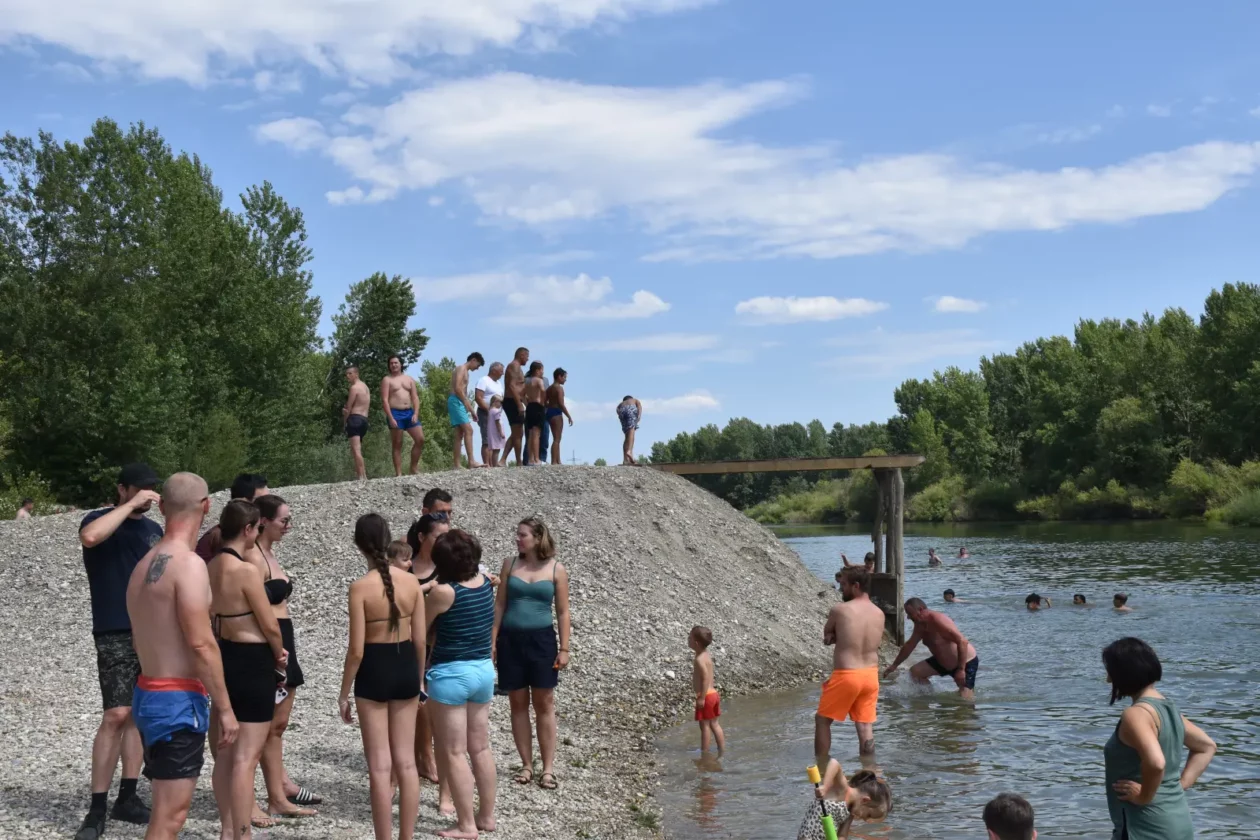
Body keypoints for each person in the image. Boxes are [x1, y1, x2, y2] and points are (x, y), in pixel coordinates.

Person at [124, 472, 239, 840]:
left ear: (160, 506)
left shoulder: (144, 565)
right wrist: (224, 708)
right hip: (176, 700)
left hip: (148, 692)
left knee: (163, 811)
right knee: (171, 818)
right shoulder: (188, 565)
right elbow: (201, 644)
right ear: (206, 507)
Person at [75, 462, 163, 840]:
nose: (146, 497)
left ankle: (128, 795)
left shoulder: (153, 529)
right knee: (116, 713)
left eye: (151, 492)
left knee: (138, 714)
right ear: (123, 489)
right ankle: (97, 807)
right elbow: (90, 538)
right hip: (113, 628)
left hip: (150, 631)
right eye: (139, 490)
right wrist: (127, 507)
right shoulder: (100, 518)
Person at [339, 514, 426, 840]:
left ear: (358, 545)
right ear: (389, 540)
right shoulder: (412, 582)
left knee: (378, 767)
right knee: (406, 763)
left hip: (373, 671)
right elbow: (420, 640)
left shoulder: (359, 588)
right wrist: (419, 681)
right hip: (405, 668)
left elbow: (356, 650)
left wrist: (343, 693)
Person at [208, 500, 289, 840]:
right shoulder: (245, 570)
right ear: (247, 529)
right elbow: (269, 624)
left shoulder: (210, 566)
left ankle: (229, 829)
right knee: (246, 756)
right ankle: (242, 832)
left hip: (223, 653)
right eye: (257, 528)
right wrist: (279, 654)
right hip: (252, 657)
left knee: (225, 753)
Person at [1102, 637, 1216, 840]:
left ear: (1123, 673)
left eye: (1110, 671)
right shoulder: (1168, 708)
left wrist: (1144, 797)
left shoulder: (1135, 714)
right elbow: (1206, 747)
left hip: (1144, 826)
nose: (1108, 679)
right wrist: (1179, 786)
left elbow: (1156, 763)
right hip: (1177, 819)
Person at [426, 530, 497, 839]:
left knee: (454, 752)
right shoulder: (484, 584)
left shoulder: (444, 592)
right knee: (480, 747)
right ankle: (486, 817)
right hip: (483, 670)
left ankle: (466, 825)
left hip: (451, 674)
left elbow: (422, 626)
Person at [492, 517, 571, 791]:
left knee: (544, 702)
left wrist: (564, 648)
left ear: (537, 538)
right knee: (517, 702)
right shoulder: (509, 564)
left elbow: (562, 611)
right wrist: (492, 641)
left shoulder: (556, 569)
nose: (517, 539)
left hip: (542, 641)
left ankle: (548, 768)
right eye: (517, 535)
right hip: (510, 640)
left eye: (522, 535)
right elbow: (500, 603)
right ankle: (526, 764)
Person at [252, 494, 319, 818]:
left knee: (278, 725)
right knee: (261, 725)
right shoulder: (252, 557)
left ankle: (277, 795)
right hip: (267, 641)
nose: (289, 526)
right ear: (263, 521)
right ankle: (252, 799)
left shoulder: (270, 554)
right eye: (284, 520)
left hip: (283, 636)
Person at [816, 566, 885, 760]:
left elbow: (827, 634)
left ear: (856, 586)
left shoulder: (840, 609)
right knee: (864, 725)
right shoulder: (879, 613)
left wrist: (831, 636)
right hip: (871, 675)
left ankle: (821, 769)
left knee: (822, 720)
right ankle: (869, 771)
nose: (841, 589)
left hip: (847, 674)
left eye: (844, 585)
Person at [407, 511, 452, 806]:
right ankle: (421, 756)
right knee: (414, 705)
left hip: (440, 646)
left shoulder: (450, 566)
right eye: (438, 536)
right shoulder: (405, 566)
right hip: (406, 644)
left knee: (436, 708)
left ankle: (430, 759)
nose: (444, 542)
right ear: (422, 537)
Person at [884, 597, 979, 701]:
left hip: (965, 661)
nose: (908, 617)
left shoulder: (938, 619)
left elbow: (962, 641)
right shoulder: (920, 625)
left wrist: (961, 670)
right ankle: (930, 699)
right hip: (942, 662)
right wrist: (894, 665)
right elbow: (909, 645)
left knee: (964, 701)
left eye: (910, 614)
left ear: (920, 609)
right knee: (916, 673)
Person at [796, 759, 891, 840]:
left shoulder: (849, 814)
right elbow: (834, 763)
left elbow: (842, 835)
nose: (864, 819)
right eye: (868, 815)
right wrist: (825, 786)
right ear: (865, 800)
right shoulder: (843, 789)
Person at [195, 473, 270, 562]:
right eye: (262, 501)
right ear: (243, 501)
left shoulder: (247, 531)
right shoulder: (222, 536)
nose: (268, 506)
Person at [381, 354, 425, 476]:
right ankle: (399, 473)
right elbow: (384, 400)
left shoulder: (409, 379)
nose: (394, 365)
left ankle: (413, 468)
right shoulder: (387, 380)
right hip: (395, 413)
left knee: (420, 439)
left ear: (400, 364)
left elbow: (415, 397)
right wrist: (390, 417)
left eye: (396, 362)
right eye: (391, 363)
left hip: (409, 412)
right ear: (389, 366)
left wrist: (416, 413)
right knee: (397, 443)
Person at [689, 626, 724, 757]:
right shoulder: (705, 655)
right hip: (713, 694)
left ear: (696, 643)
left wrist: (702, 698)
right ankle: (722, 749)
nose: (688, 640)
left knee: (704, 726)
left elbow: (704, 677)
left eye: (690, 638)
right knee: (715, 724)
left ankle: (705, 753)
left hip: (706, 696)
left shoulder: (699, 659)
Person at [449, 352, 486, 469]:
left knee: (459, 433)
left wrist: (471, 410)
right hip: (455, 401)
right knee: (469, 430)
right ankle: (471, 461)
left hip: (459, 402)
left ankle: (457, 465)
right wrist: (467, 405)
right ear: (473, 360)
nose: (477, 368)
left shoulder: (466, 372)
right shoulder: (461, 368)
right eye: (478, 365)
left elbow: (463, 392)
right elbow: (457, 388)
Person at [344, 364, 371, 480]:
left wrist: (344, 419)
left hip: (355, 418)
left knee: (356, 449)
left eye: (350, 373)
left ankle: (361, 476)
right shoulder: (365, 387)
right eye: (346, 374)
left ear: (356, 374)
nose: (347, 376)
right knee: (358, 448)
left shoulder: (354, 388)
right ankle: (363, 475)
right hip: (364, 420)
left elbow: (348, 407)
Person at [503, 347, 530, 466]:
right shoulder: (514, 366)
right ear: (522, 355)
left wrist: (526, 404)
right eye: (527, 356)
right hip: (512, 401)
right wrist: (519, 404)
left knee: (517, 433)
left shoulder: (518, 368)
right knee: (518, 432)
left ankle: (503, 459)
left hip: (516, 401)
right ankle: (518, 461)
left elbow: (520, 389)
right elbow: (512, 386)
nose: (528, 359)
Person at [475, 363, 505, 467]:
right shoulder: (483, 380)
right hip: (485, 413)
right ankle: (487, 464)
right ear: (494, 371)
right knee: (487, 439)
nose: (503, 373)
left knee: (496, 439)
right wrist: (489, 411)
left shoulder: (499, 384)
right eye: (501, 371)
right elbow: (478, 397)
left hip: (496, 415)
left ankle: (494, 464)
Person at [546, 368, 574, 465]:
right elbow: (561, 404)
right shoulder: (559, 388)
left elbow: (546, 401)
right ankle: (554, 461)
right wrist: (568, 416)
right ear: (559, 377)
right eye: (564, 377)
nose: (565, 380)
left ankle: (557, 460)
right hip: (557, 412)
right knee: (557, 439)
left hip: (549, 411)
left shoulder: (549, 388)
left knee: (556, 438)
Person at [523, 361, 547, 466]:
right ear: (537, 370)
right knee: (536, 434)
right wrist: (543, 403)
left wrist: (526, 403)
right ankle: (537, 459)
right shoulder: (539, 381)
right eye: (542, 370)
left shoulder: (526, 381)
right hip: (538, 407)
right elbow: (543, 392)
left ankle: (530, 459)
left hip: (530, 407)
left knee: (530, 434)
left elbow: (521, 395)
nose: (542, 372)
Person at [616, 395, 643, 465]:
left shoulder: (621, 404)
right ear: (630, 398)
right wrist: (639, 415)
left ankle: (625, 459)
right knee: (632, 431)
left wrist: (620, 416)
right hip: (630, 410)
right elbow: (639, 406)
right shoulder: (634, 400)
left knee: (627, 436)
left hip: (622, 411)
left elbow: (617, 409)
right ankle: (629, 451)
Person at [487, 396, 507, 467]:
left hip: (491, 432)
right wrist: (501, 432)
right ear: (495, 402)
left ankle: (493, 464)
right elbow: (497, 422)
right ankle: (495, 465)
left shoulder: (490, 410)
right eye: (500, 402)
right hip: (496, 433)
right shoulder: (496, 411)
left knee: (494, 450)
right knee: (497, 450)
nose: (501, 404)